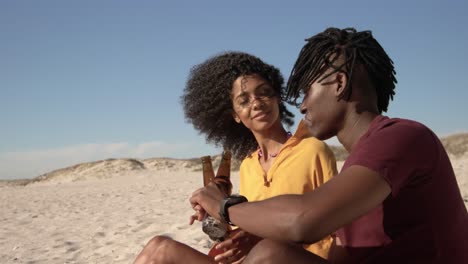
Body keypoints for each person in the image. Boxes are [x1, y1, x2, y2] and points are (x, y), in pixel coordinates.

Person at [189, 27, 468, 263]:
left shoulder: (401, 137)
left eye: (307, 91)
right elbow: (339, 253)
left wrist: (226, 206)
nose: (302, 106)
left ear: (339, 83)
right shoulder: (360, 165)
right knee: (163, 250)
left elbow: (304, 221)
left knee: (270, 255)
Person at [133, 52, 338, 263]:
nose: (256, 103)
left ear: (277, 97)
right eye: (244, 101)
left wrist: (262, 238)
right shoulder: (249, 166)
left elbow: (335, 228)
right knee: (159, 248)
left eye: (264, 93)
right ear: (235, 115)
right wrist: (218, 219)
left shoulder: (312, 151)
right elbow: (248, 227)